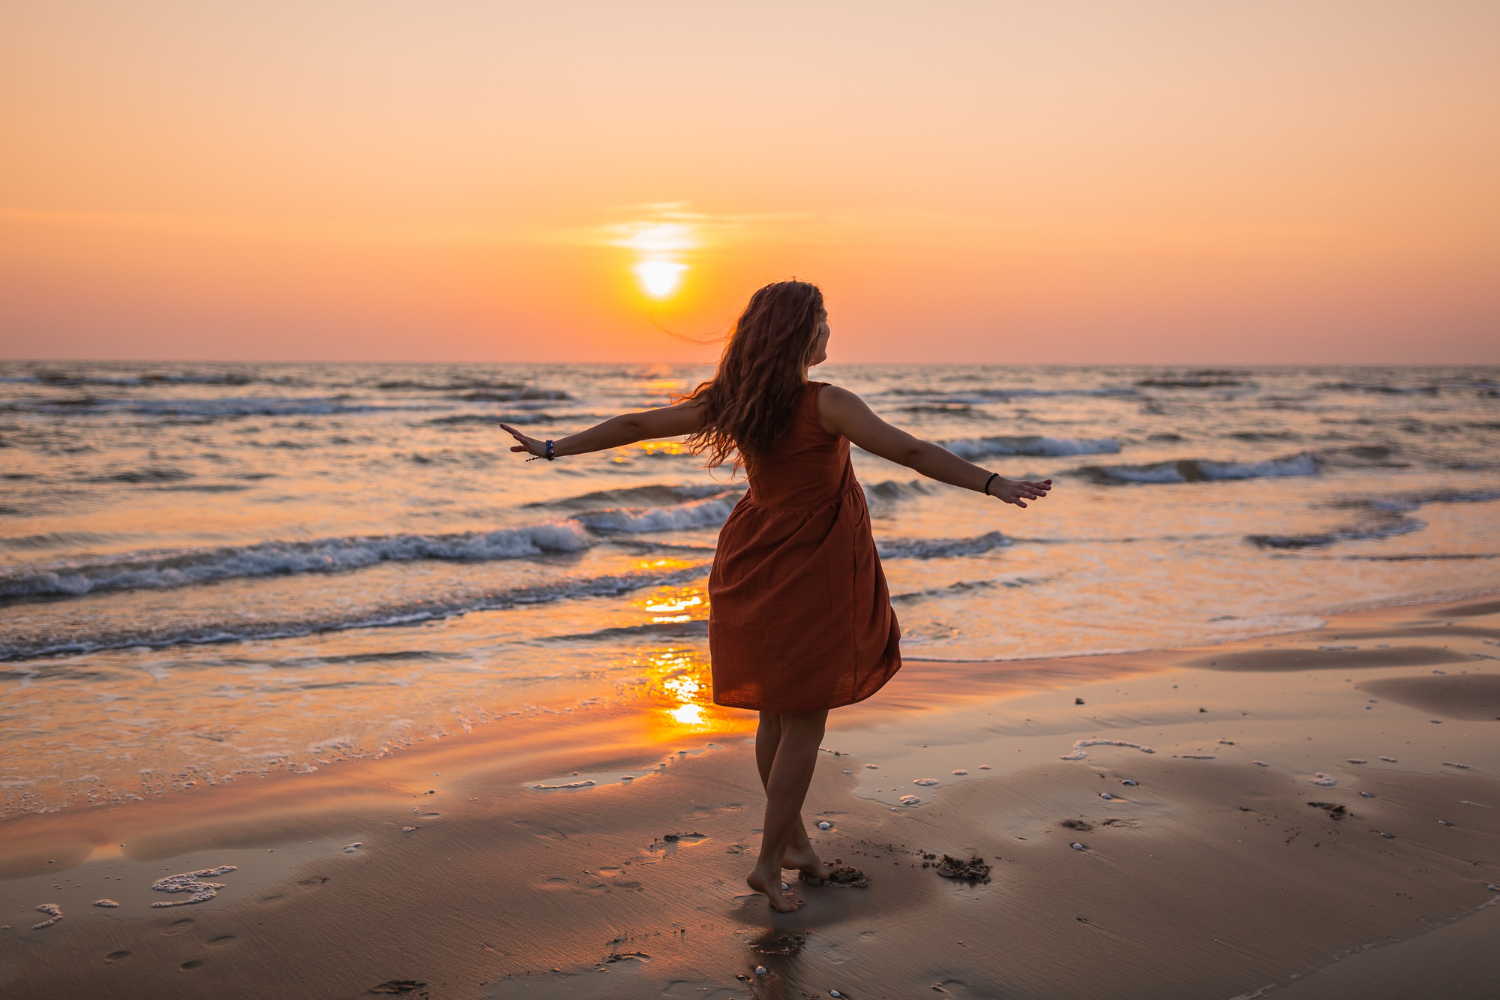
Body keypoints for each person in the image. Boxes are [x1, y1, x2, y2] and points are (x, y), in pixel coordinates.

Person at [500, 280, 1051, 911]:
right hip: (812, 567)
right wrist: (991, 483)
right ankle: (767, 862)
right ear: (802, 333)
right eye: (823, 320)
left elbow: (636, 424)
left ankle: (794, 846)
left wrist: (551, 447)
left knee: (776, 712)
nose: (829, 330)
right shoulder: (827, 403)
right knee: (805, 719)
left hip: (751, 557)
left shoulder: (734, 403)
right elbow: (911, 451)